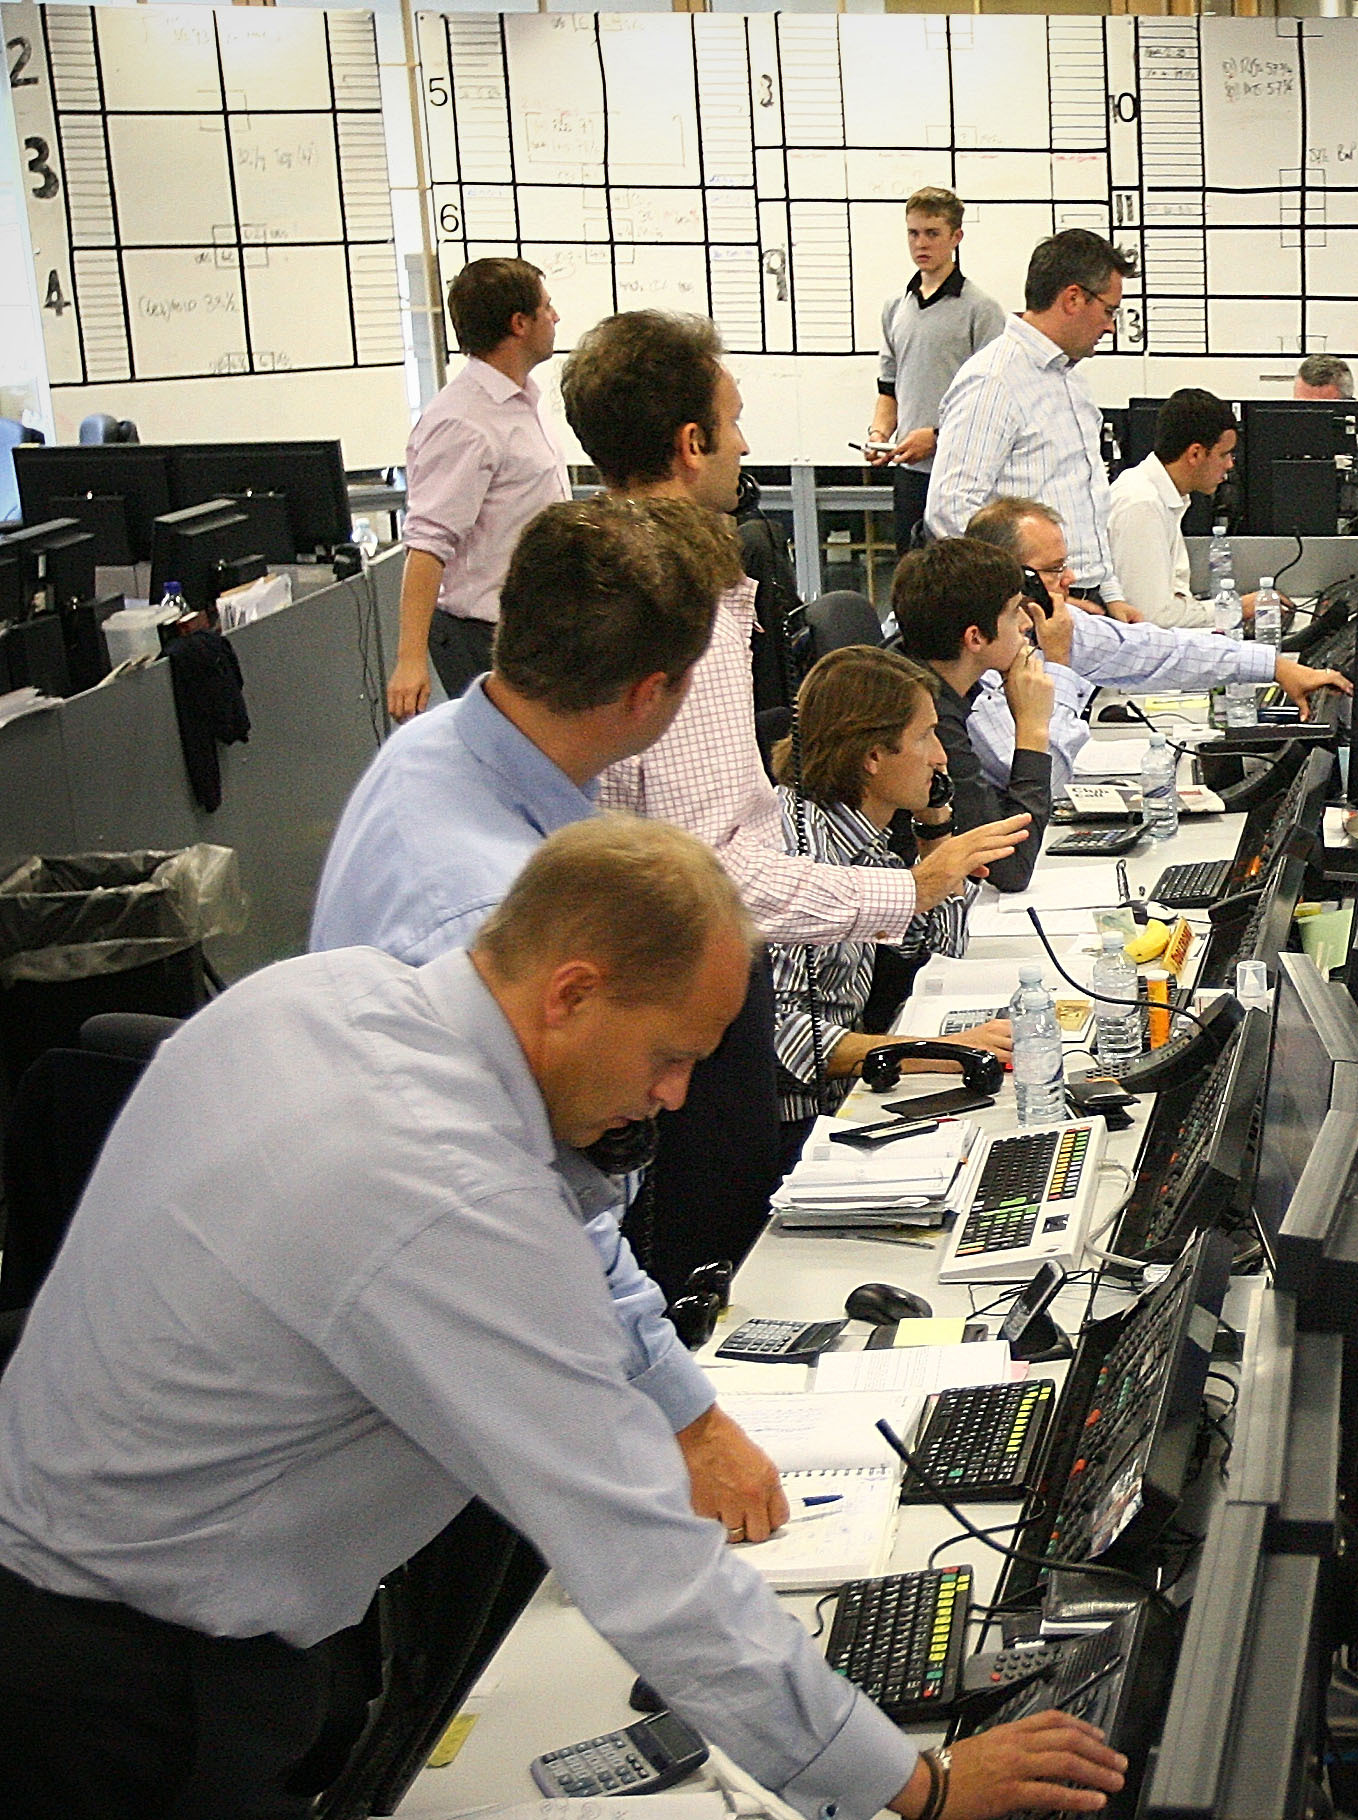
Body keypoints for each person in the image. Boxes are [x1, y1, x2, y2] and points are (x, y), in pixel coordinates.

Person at [0, 819, 1128, 1820]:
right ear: (572, 992)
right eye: (671, 1057)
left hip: (74, 1554)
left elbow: (547, 1216)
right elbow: (647, 1567)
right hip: (130, 1682)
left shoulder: (322, 993)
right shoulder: (447, 1198)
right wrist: (922, 1787)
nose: (675, 1095)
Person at [312, 494, 797, 1544]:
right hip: (457, 1386)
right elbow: (544, 1223)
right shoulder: (490, 912)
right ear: (653, 693)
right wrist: (687, 1417)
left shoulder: (439, 749)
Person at [564, 310, 1026, 1289]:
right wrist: (907, 890)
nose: (746, 446)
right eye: (733, 423)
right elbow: (711, 875)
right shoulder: (667, 614)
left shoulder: (672, 590)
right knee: (718, 1269)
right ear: (690, 444)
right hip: (694, 1006)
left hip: (706, 995)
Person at [768, 648, 1014, 1166]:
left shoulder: (859, 836)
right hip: (793, 1138)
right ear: (873, 756)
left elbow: (941, 954)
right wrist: (938, 1052)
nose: (941, 757)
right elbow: (781, 1035)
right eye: (925, 737)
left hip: (849, 1102)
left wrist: (935, 828)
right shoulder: (800, 853)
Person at [962, 496, 1349, 796]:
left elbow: (1154, 651)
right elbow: (1045, 783)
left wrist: (1275, 667)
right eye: (1054, 569)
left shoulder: (1046, 624)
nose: (1071, 579)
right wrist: (1060, 664)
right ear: (1012, 577)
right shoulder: (977, 657)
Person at [387, 257, 568, 720]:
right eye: (547, 307)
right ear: (519, 323)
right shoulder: (463, 421)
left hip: (530, 630)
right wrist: (410, 661)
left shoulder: (521, 400)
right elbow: (427, 544)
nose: (556, 316)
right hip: (482, 638)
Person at [923, 228, 1141, 609]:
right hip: (1035, 609)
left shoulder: (1071, 381)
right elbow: (950, 513)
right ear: (1073, 299)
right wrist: (1032, 598)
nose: (1110, 326)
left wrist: (1112, 595)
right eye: (1109, 311)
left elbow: (1087, 503)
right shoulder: (993, 381)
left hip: (1085, 598)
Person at [869, 186, 1011, 556]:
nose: (921, 243)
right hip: (910, 474)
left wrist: (937, 436)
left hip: (965, 475)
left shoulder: (981, 310)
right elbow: (889, 388)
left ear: (955, 237)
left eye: (932, 233)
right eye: (913, 233)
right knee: (912, 570)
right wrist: (878, 434)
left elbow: (995, 401)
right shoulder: (895, 308)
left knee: (963, 571)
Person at [889, 534, 1057, 848]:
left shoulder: (911, 668)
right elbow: (1005, 863)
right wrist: (1032, 730)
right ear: (975, 638)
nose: (1025, 623)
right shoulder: (928, 717)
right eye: (1013, 612)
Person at [1106, 387, 1237, 631]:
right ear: (1195, 454)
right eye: (1224, 454)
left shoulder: (1163, 496)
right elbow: (1153, 617)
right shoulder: (1141, 504)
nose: (1229, 464)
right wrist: (1231, 609)